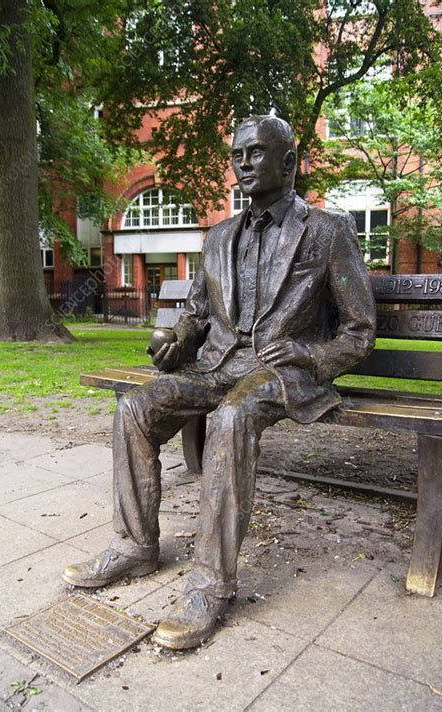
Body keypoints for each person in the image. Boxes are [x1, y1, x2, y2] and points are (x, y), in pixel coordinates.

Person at [62, 115, 376, 649]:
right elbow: (198, 313)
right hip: (214, 366)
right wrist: (177, 339)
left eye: (256, 153)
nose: (244, 164)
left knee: (231, 418)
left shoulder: (327, 232)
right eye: (237, 155)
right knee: (135, 407)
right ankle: (136, 544)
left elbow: (360, 331)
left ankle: (210, 584)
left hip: (281, 372)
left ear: (289, 162)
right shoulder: (220, 235)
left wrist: (308, 353)